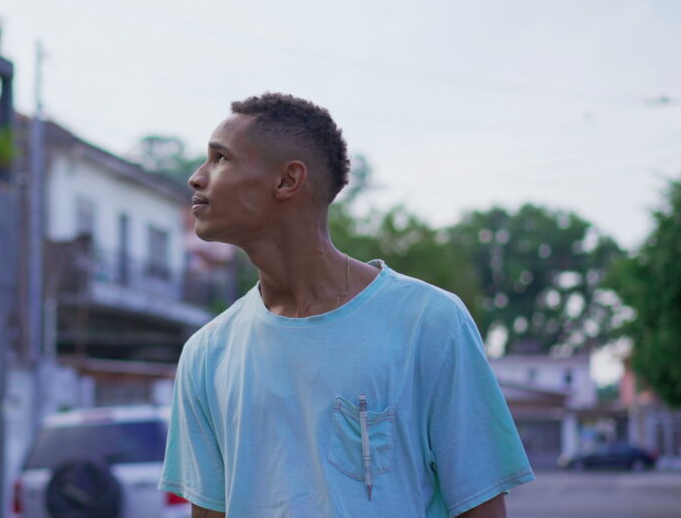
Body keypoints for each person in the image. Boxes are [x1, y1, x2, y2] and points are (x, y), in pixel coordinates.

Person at [158, 93, 533, 517]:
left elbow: (480, 506)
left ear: (286, 180)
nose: (196, 177)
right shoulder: (207, 353)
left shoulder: (430, 322)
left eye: (220, 158)